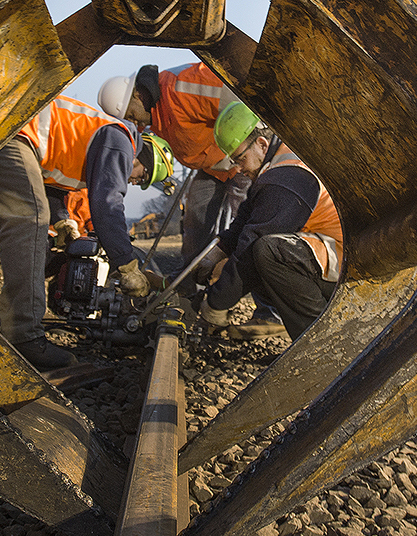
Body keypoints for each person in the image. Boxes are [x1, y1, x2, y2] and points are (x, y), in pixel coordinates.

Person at [0, 95, 174, 370]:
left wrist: (61, 222)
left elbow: (54, 187)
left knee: (34, 222)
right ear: (140, 156)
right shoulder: (120, 141)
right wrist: (126, 265)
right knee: (29, 222)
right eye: (141, 176)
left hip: (10, 129)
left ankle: (22, 322)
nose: (134, 181)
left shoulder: (97, 146)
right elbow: (107, 203)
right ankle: (24, 338)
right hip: (15, 131)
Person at [99, 63, 285, 338]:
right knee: (195, 228)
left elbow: (240, 102)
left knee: (250, 233)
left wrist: (255, 153)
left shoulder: (180, 86)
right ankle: (188, 298)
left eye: (131, 115)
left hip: (245, 160)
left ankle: (269, 312)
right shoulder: (155, 117)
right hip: (213, 169)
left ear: (138, 95)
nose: (135, 123)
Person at [193, 102, 343, 340]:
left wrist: (216, 304)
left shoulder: (285, 178)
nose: (238, 169)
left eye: (240, 159)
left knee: (268, 252)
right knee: (263, 255)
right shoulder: (275, 168)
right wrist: (217, 252)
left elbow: (252, 247)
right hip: (325, 258)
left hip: (342, 265)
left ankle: (319, 340)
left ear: (261, 144)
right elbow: (245, 224)